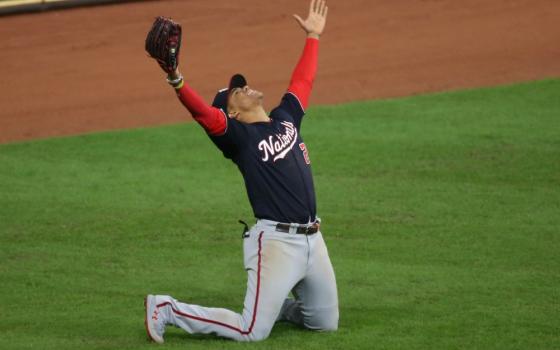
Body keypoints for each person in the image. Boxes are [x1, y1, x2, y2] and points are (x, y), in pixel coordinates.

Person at [144, 0, 338, 343]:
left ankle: (273, 303)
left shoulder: (285, 117)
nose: (245, 87)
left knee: (324, 323)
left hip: (313, 239)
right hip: (277, 243)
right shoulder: (238, 138)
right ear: (231, 113)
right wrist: (176, 79)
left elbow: (303, 81)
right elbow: (203, 114)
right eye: (237, 91)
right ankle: (167, 309)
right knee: (251, 330)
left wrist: (312, 37)